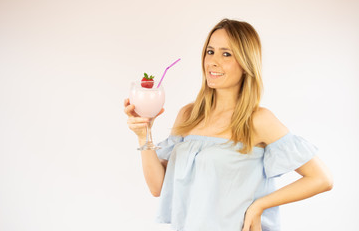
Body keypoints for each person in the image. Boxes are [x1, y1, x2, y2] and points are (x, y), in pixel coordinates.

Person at [124, 19, 333, 231]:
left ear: (245, 63)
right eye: (210, 51)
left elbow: (321, 178)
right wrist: (144, 134)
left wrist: (259, 206)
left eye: (226, 54)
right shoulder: (189, 115)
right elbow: (158, 187)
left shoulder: (258, 120)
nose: (213, 62)